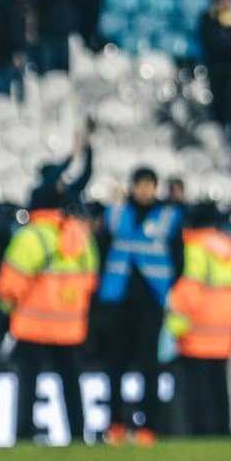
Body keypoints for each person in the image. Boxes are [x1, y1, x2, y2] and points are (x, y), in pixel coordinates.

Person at [0, 189, 100, 444]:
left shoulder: (30, 236)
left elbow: (10, 285)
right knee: (71, 382)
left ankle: (24, 433)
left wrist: (9, 308)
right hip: (69, 324)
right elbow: (90, 279)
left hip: (33, 323)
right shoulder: (79, 235)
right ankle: (78, 432)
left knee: (29, 382)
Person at [95, 167, 182, 443]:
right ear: (132, 186)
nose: (145, 190)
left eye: (149, 185)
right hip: (118, 300)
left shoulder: (169, 217)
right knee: (116, 364)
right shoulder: (116, 214)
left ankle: (148, 426)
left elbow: (179, 260)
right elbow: (102, 251)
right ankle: (116, 424)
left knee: (149, 365)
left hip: (151, 301)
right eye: (141, 185)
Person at [165, 204, 231, 436]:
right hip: (224, 331)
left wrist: (173, 325)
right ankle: (222, 431)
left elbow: (190, 291)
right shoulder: (228, 248)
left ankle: (199, 432)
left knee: (197, 389)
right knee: (219, 388)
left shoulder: (195, 248)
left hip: (198, 330)